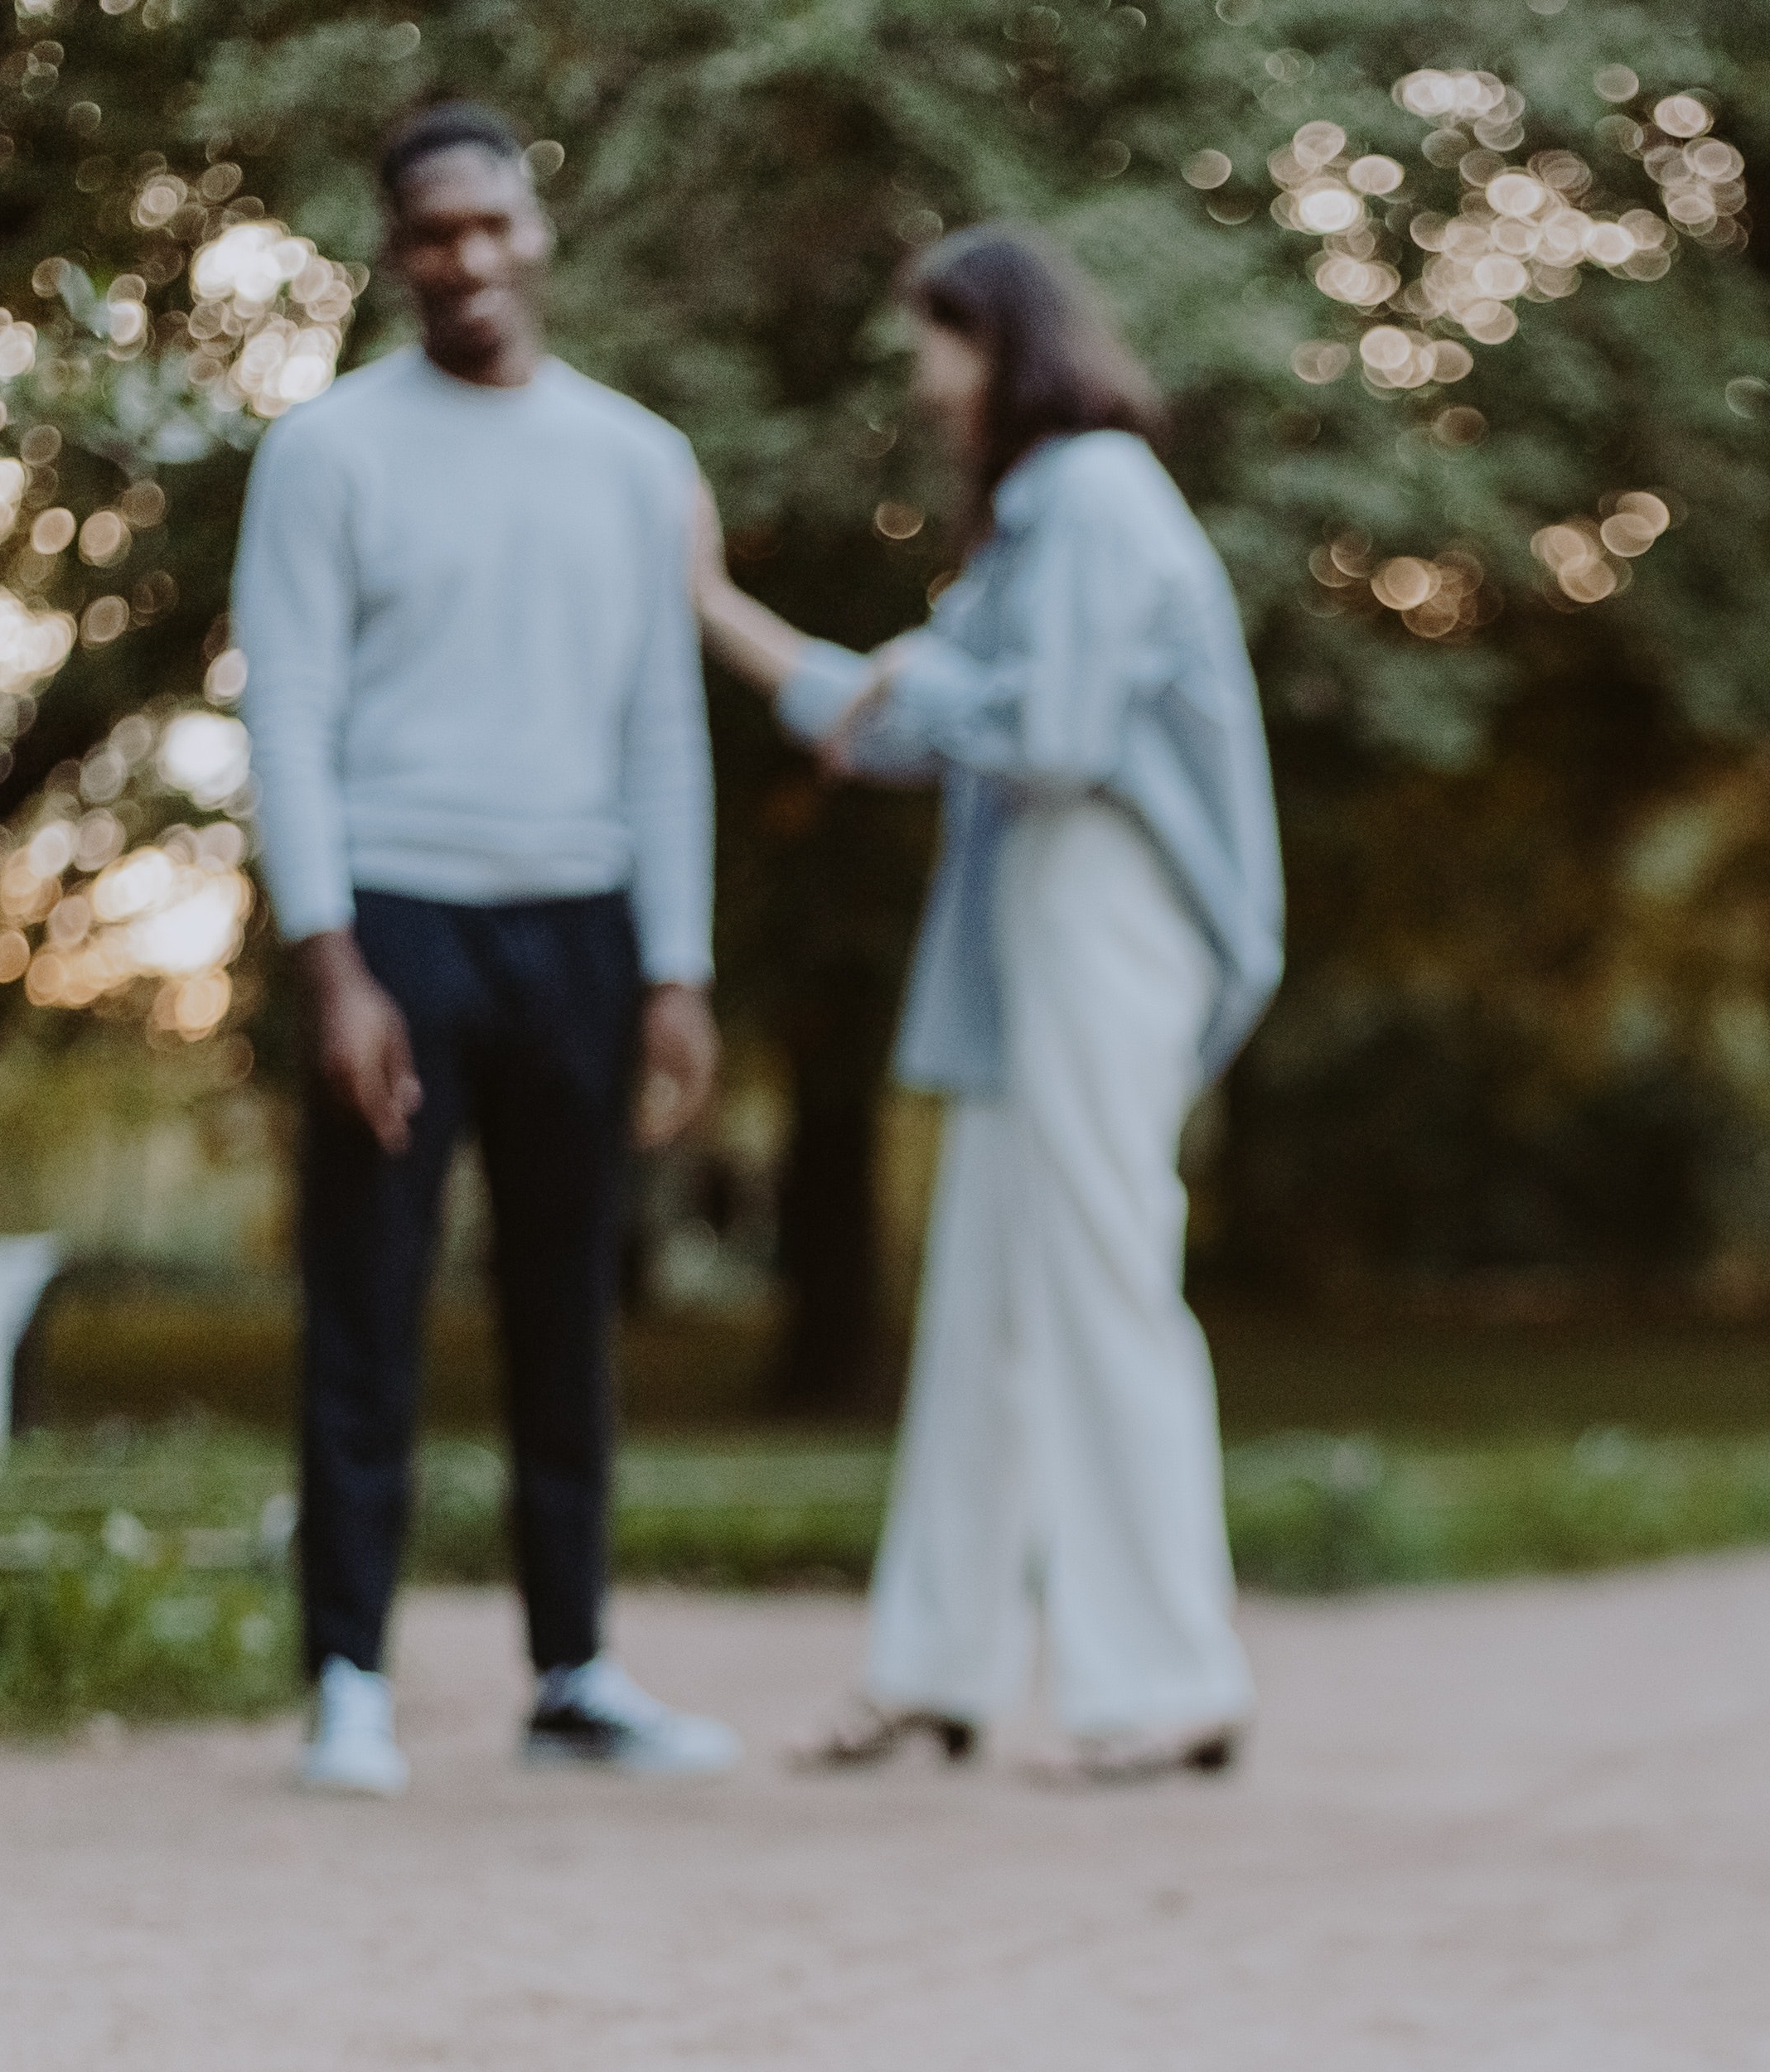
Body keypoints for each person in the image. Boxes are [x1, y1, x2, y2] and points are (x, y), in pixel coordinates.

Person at [690, 228, 1281, 1784]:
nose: (921, 385)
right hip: (1041, 924)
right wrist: (716, 607)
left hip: (1105, 909)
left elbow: (1060, 734)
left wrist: (905, 677)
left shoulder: (1089, 494)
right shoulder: (1033, 528)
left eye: (933, 350)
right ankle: (933, 1664)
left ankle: (1169, 1673)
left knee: (1099, 1281)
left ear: (996, 343)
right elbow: (889, 726)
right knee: (986, 1306)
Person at [231, 99, 738, 1799]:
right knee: (369, 1300)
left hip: (583, 929)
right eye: (428, 233)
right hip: (399, 917)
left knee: (564, 1305)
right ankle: (350, 1679)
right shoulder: (327, 453)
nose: (463, 258)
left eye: (487, 225)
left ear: (536, 230)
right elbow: (287, 715)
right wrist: (332, 963)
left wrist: (678, 968)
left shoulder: (640, 459)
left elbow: (667, 724)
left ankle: (575, 1670)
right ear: (395, 255)